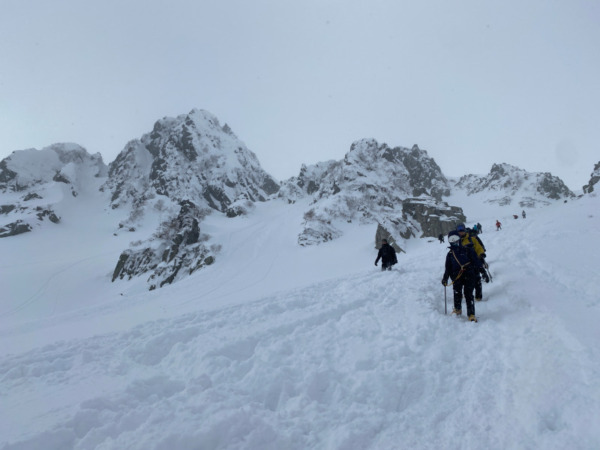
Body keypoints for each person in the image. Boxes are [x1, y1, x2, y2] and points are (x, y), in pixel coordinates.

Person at [441, 231, 485, 322]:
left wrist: (482, 271)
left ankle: (471, 314)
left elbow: (477, 262)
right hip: (456, 277)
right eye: (451, 239)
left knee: (468, 294)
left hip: (469, 275)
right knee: (457, 293)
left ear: (459, 239)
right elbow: (448, 268)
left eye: (455, 239)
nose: (454, 241)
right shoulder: (450, 254)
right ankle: (457, 309)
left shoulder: (468, 250)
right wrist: (445, 278)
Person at [456, 223, 489, 301]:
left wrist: (481, 254)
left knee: (477, 279)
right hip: (462, 265)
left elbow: (478, 247)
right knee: (463, 281)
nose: (461, 232)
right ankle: (466, 295)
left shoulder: (472, 239)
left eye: (462, 230)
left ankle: (478, 297)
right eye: (459, 230)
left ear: (465, 230)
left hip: (474, 262)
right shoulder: (456, 241)